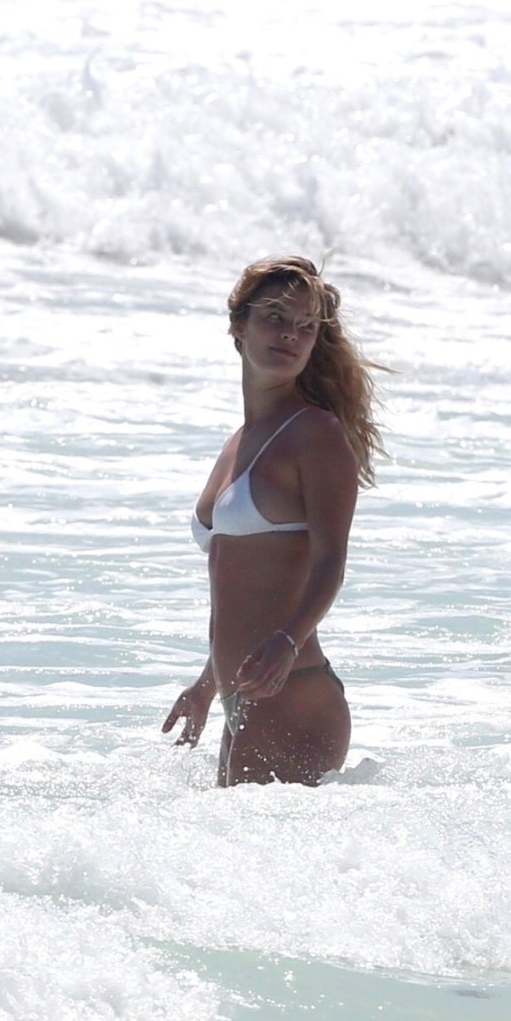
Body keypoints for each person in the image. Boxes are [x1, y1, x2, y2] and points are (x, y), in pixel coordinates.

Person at [162, 255, 384, 785]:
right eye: (276, 318)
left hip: (295, 690)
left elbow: (330, 562)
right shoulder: (238, 443)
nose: (290, 335)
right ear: (239, 326)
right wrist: (207, 684)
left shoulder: (315, 435)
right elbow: (241, 588)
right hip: (245, 693)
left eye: (306, 327)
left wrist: (288, 640)